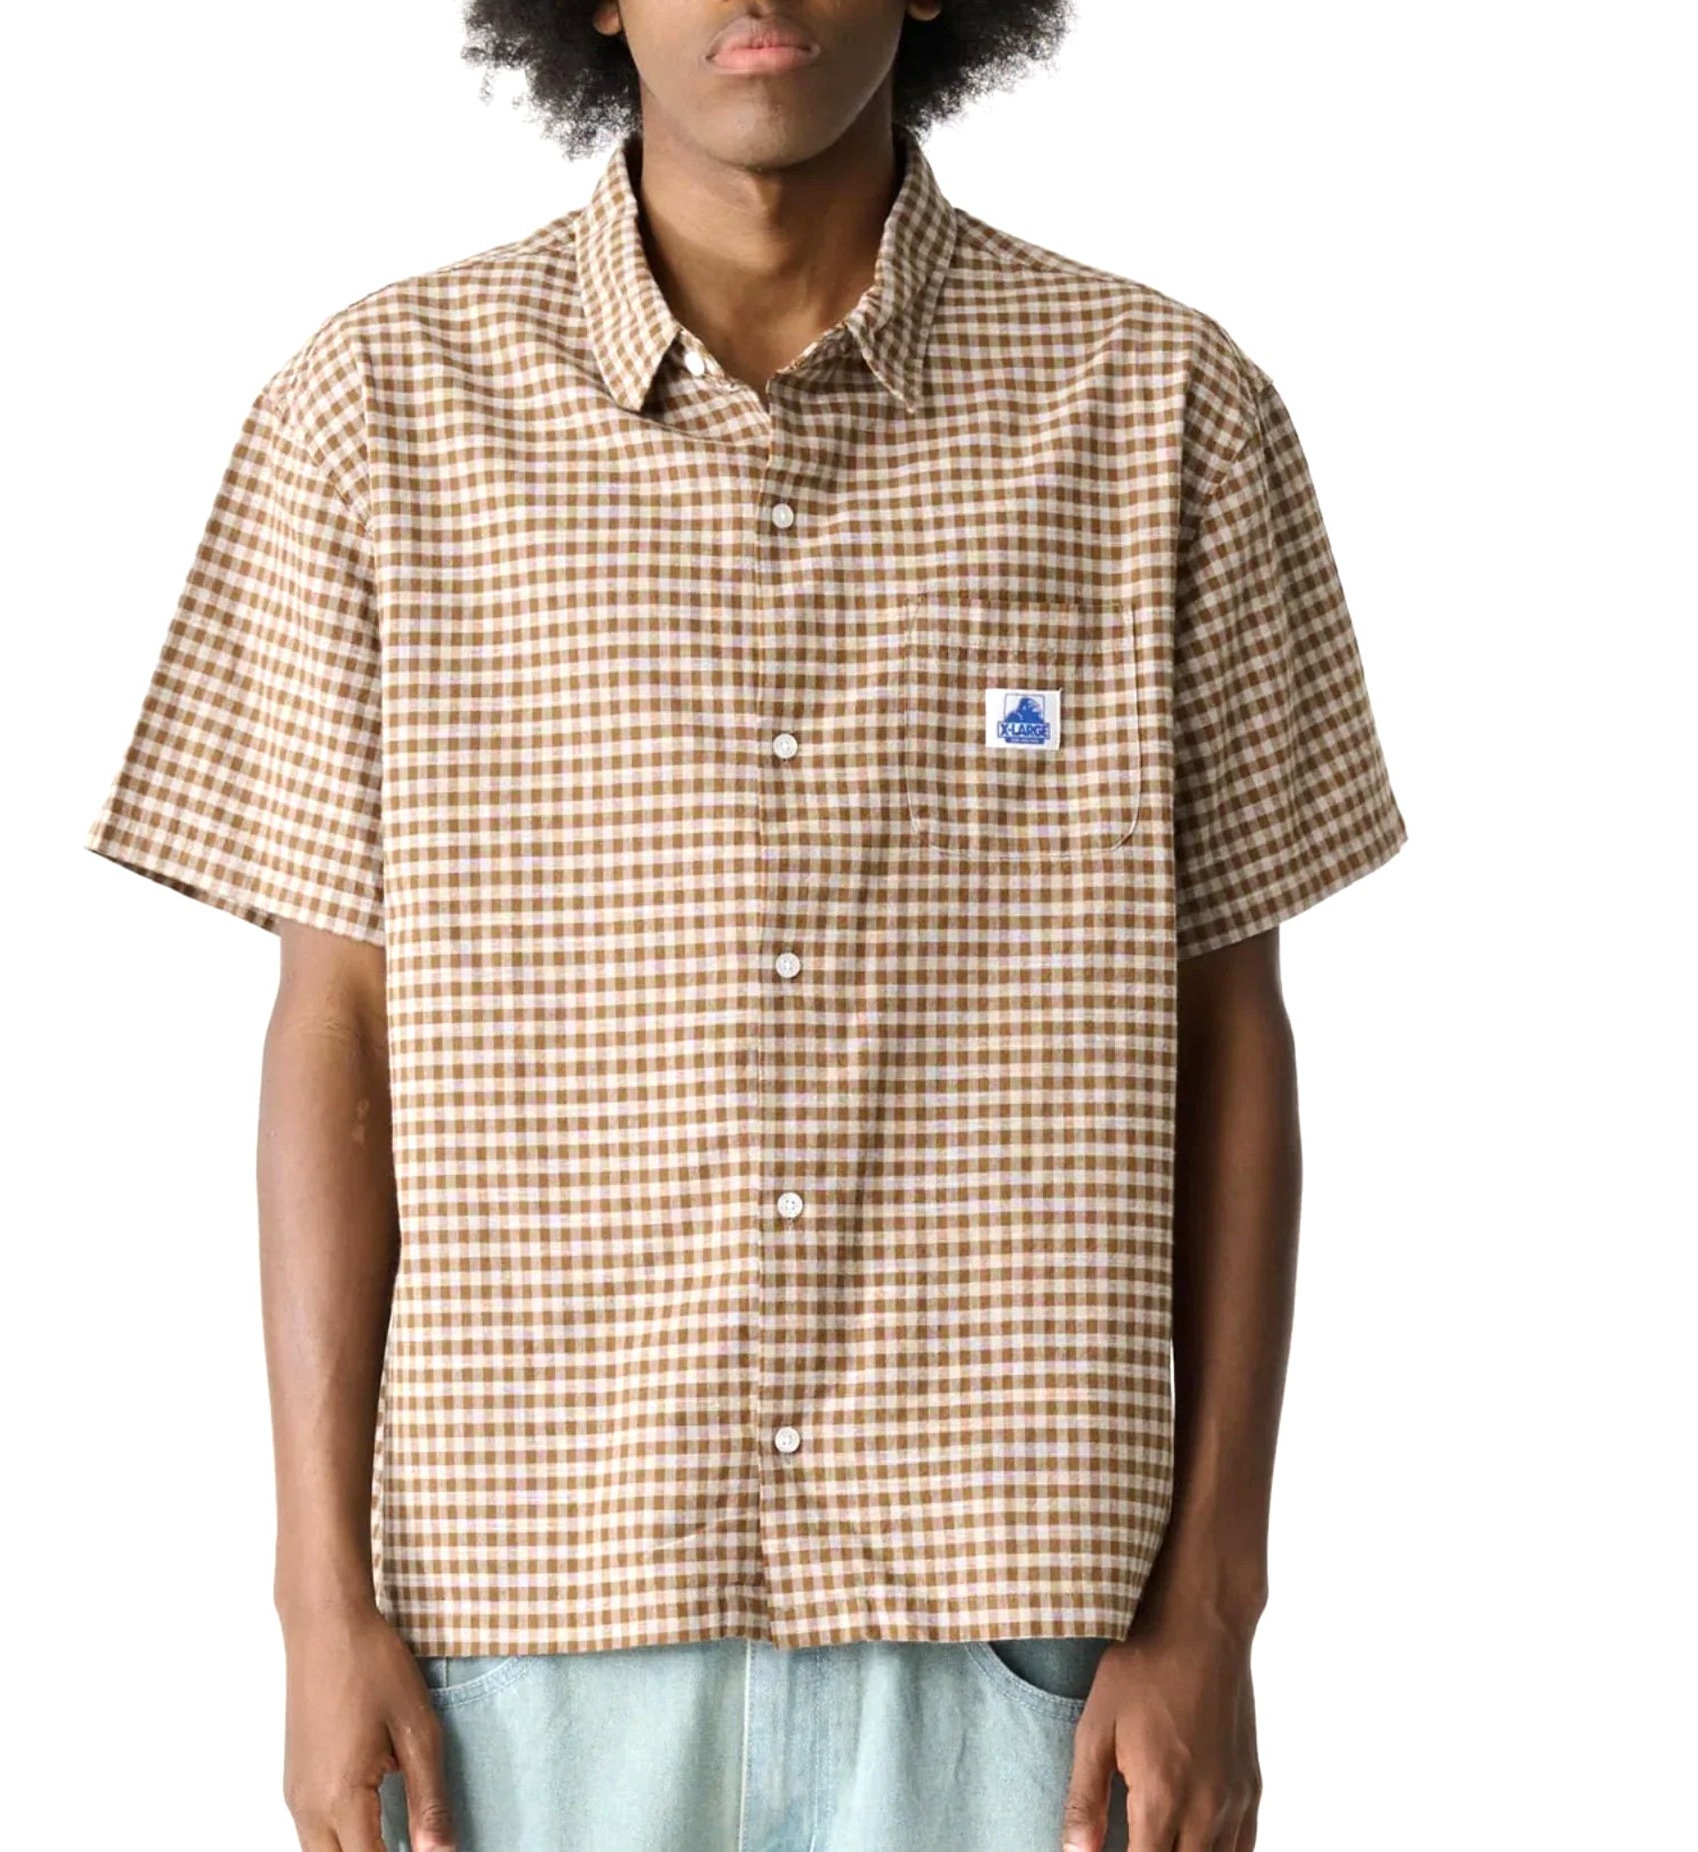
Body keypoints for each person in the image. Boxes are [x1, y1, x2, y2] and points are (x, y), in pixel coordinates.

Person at [82, 2, 1409, 1848]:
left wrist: (1214, 1610)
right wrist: (317, 1604)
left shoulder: (1163, 410)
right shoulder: (376, 414)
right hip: (529, 1625)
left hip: (1030, 1635)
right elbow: (335, 1025)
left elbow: (1234, 1034)